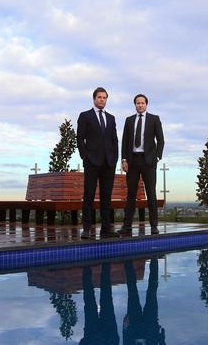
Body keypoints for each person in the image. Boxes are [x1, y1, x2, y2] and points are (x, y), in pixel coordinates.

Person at [119, 94, 164, 235]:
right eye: (138, 103)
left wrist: (157, 156)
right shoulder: (129, 120)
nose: (140, 105)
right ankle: (127, 226)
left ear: (146, 104)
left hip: (148, 161)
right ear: (135, 105)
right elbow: (125, 141)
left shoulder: (154, 119)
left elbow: (161, 140)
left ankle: (154, 226)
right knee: (131, 194)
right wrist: (124, 159)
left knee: (151, 193)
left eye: (142, 103)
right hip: (132, 161)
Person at [76, 87, 119, 239]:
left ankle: (106, 229)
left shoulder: (111, 118)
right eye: (99, 97)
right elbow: (80, 138)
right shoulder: (85, 116)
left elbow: (114, 140)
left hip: (108, 162)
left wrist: (115, 159)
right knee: (89, 194)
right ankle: (86, 228)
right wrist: (84, 156)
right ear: (94, 99)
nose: (102, 100)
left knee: (106, 196)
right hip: (92, 161)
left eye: (104, 97)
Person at [122, 258, 165, 344]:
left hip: (135, 325)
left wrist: (125, 327)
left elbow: (125, 341)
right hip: (149, 325)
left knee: (133, 291)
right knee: (151, 291)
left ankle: (128, 260)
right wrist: (161, 335)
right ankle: (153, 259)